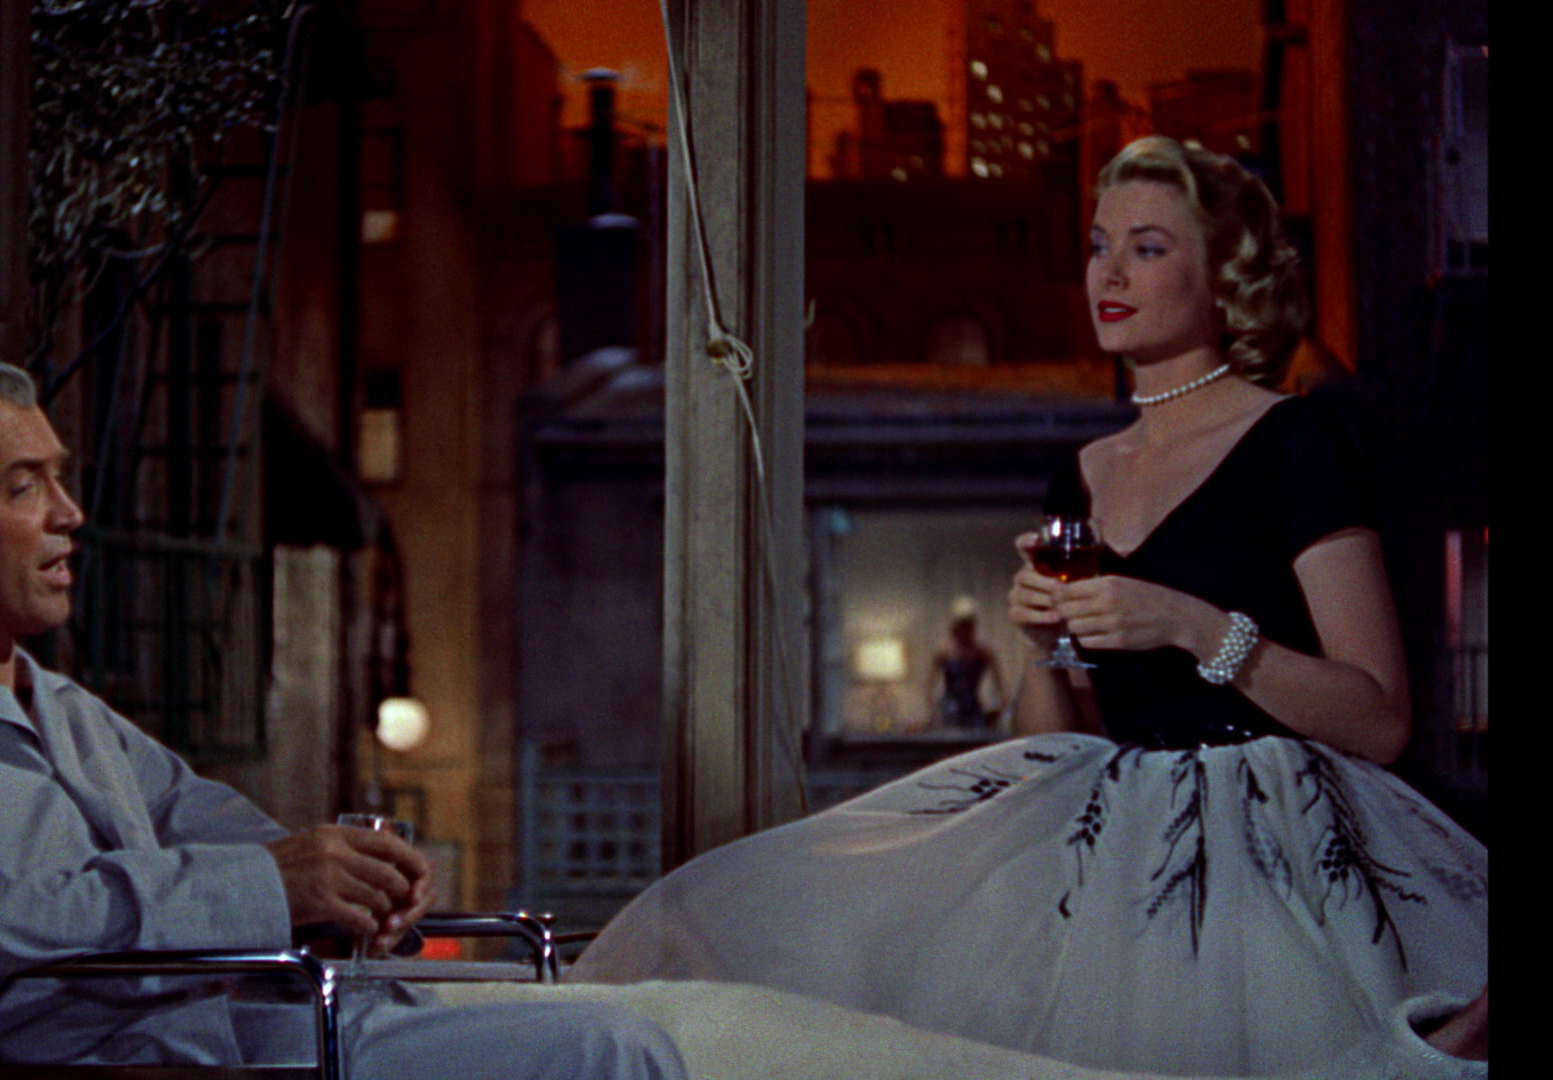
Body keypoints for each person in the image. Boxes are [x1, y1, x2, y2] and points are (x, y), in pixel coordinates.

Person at [565, 137, 1487, 1076]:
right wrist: (1044, 641)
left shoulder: (1297, 439)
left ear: (1224, 282)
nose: (1109, 274)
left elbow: (1379, 718)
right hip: (1120, 864)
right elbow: (1059, 741)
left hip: (1279, 861)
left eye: (1148, 247)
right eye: (1098, 245)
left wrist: (1193, 626)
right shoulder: (1080, 475)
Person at [0, 355, 685, 1078]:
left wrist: (345, 881)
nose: (69, 514)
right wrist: (259, 887)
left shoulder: (65, 708)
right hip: (86, 1058)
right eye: (22, 487)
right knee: (608, 1050)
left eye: (59, 479)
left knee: (614, 1028)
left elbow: (209, 824)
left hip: (222, 1022)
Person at [921, 596, 1005, 730]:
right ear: (954, 625)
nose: (965, 629)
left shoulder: (983, 651)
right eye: (962, 624)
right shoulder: (943, 651)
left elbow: (1001, 687)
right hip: (949, 711)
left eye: (969, 624)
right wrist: (933, 712)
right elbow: (928, 686)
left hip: (974, 711)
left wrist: (997, 709)